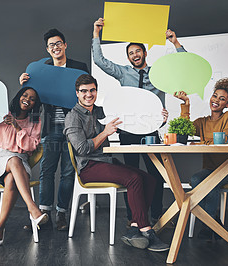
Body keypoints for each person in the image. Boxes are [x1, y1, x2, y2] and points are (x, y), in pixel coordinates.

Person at [92, 18, 187, 224]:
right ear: (128, 57)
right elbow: (100, 62)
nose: (135, 55)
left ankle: (156, 214)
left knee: (156, 173)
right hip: (128, 132)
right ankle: (133, 216)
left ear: (145, 53)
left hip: (151, 132)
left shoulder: (158, 73)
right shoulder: (123, 72)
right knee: (131, 175)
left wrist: (175, 42)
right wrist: (96, 34)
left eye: (137, 51)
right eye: (131, 53)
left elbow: (183, 66)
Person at [64, 74, 169, 252]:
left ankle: (135, 227)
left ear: (96, 91)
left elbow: (132, 121)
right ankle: (146, 230)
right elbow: (82, 149)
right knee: (134, 178)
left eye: (92, 90)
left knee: (150, 179)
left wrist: (158, 120)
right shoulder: (73, 117)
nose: (88, 94)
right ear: (77, 93)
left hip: (106, 162)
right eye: (84, 91)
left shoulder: (101, 111)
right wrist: (105, 133)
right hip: (88, 167)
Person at [19, 28, 89, 231]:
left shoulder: (79, 68)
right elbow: (30, 100)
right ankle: (44, 213)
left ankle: (62, 213)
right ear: (47, 50)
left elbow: (87, 94)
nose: (56, 47)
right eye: (51, 45)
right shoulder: (39, 70)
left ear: (65, 45)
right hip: (50, 126)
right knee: (46, 171)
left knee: (68, 172)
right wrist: (25, 86)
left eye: (59, 43)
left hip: (74, 127)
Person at [0, 87, 48, 246]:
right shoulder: (3, 113)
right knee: (12, 160)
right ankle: (32, 208)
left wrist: (17, 127)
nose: (27, 99)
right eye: (25, 95)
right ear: (19, 96)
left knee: (13, 173)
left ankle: (0, 226)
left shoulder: (35, 122)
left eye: (32, 98)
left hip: (21, 162)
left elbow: (30, 147)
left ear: (35, 104)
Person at [174, 78, 228, 240]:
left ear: (227, 104)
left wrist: (200, 142)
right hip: (211, 170)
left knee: (210, 182)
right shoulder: (203, 122)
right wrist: (186, 103)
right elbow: (184, 128)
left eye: (222, 99)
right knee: (195, 179)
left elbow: (225, 139)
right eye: (215, 96)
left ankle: (207, 226)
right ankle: (214, 222)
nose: (216, 100)